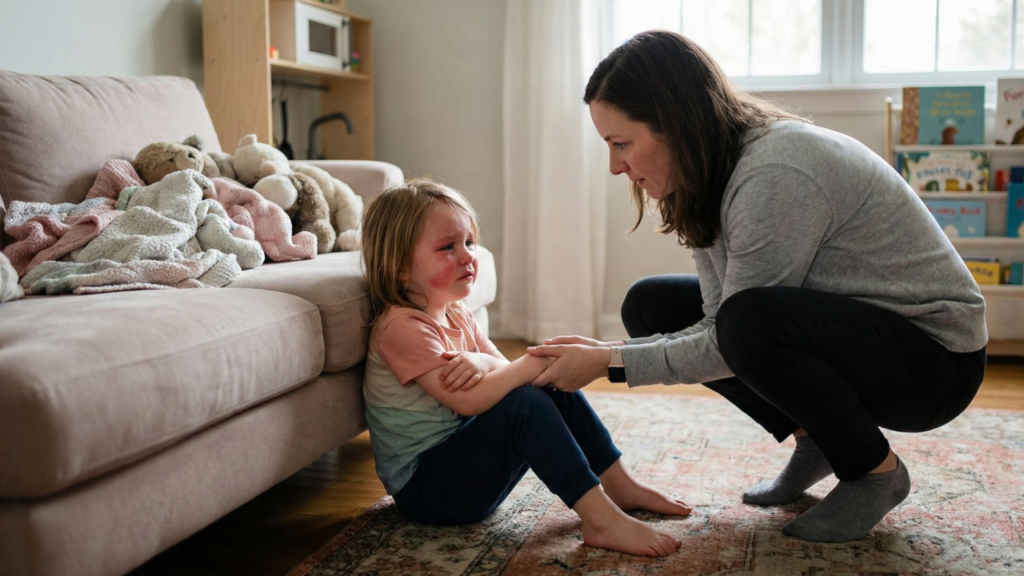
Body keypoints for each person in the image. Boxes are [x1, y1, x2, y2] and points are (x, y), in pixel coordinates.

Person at [527, 31, 987, 543]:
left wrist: (610, 362)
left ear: (675, 126)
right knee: (651, 305)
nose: (615, 166)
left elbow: (733, 337)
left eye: (621, 144)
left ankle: (875, 473)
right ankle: (817, 437)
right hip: (863, 334)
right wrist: (613, 353)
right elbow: (713, 317)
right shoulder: (706, 174)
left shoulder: (774, 172)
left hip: (936, 363)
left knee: (749, 324)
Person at [360, 178, 692, 557]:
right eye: (447, 248)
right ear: (400, 267)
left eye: (469, 242)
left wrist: (487, 360)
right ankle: (601, 520)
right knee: (527, 404)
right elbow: (470, 401)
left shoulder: (457, 313)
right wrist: (531, 362)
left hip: (460, 472)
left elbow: (505, 371)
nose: (469, 256)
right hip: (428, 491)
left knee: (545, 387)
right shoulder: (400, 328)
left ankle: (619, 485)